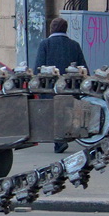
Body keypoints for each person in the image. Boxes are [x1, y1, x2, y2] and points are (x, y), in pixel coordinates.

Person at [34, 17, 88, 153]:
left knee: (54, 115)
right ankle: (64, 137)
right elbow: (84, 68)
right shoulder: (74, 45)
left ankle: (59, 141)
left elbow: (38, 68)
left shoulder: (45, 44)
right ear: (66, 29)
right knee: (66, 113)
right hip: (71, 87)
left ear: (51, 29)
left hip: (50, 88)